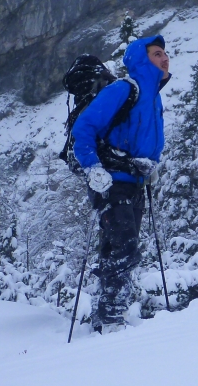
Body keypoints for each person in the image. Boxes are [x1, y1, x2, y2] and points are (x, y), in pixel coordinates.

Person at [71, 35, 170, 332]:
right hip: (110, 181)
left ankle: (105, 315)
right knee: (125, 247)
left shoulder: (153, 96)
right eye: (157, 54)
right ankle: (112, 317)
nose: (165, 58)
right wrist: (93, 169)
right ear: (142, 59)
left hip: (135, 182)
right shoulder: (124, 89)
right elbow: (84, 128)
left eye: (166, 54)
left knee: (117, 247)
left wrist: (150, 167)